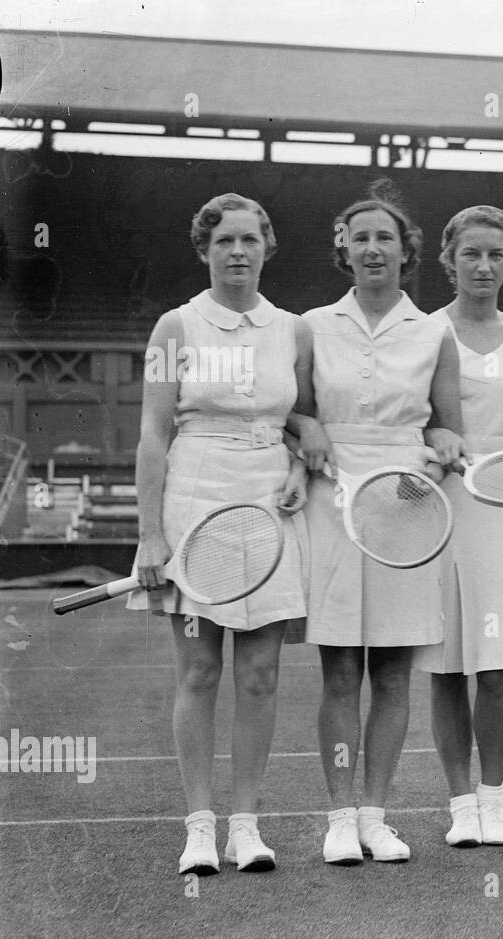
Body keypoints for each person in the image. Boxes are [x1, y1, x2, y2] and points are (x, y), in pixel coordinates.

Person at [131, 193, 311, 875]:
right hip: (192, 501)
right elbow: (154, 434)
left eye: (249, 239)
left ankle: (246, 826)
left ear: (267, 246)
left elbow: (306, 421)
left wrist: (297, 462)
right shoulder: (174, 327)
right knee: (200, 669)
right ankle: (199, 828)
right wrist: (150, 534)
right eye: (224, 241)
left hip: (269, 505)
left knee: (261, 675)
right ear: (205, 250)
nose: (238, 252)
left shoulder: (293, 330)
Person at [290, 180, 466, 865]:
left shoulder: (434, 331)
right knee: (340, 673)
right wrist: (306, 427)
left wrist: (446, 451)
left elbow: (448, 425)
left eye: (384, 237)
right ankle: (338, 817)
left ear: (405, 251)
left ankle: (374, 815)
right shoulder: (311, 325)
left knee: (393, 674)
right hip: (333, 503)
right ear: (344, 249)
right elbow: (297, 411)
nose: (371, 248)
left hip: (407, 502)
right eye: (359, 237)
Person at [414, 206, 503, 846]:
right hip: (444, 503)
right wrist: (437, 442)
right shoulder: (426, 331)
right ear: (449, 259)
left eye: (495, 254)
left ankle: (494, 799)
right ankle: (461, 803)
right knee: (446, 663)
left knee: (497, 664)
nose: (484, 266)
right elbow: (416, 416)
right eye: (471, 254)